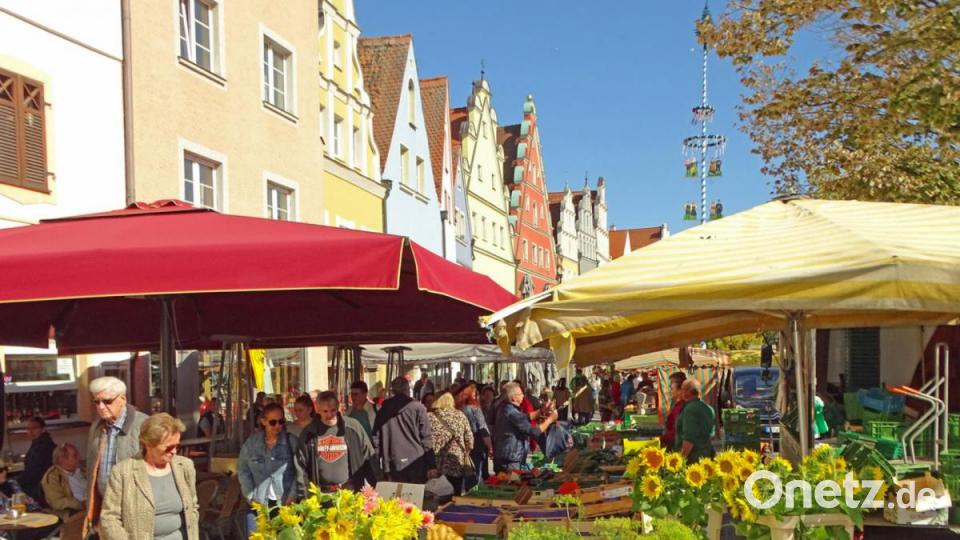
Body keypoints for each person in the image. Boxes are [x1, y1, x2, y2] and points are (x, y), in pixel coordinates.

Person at [100, 413, 199, 540]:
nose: (174, 451)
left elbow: (192, 507)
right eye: (168, 447)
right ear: (148, 444)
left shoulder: (185, 466)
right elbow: (109, 517)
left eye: (176, 446)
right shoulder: (123, 472)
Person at [84, 376, 149, 536]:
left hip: (134, 508)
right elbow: (92, 470)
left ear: (123, 399)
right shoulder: (96, 427)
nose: (101, 407)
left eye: (107, 401)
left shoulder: (144, 425)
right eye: (96, 402)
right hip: (105, 507)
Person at [294, 391, 376, 496]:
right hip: (321, 494)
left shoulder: (353, 427)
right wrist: (305, 495)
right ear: (318, 410)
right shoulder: (309, 433)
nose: (330, 415)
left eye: (333, 410)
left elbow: (369, 457)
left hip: (349, 492)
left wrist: (376, 487)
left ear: (338, 408)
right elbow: (300, 466)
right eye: (325, 411)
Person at [237, 403, 297, 535]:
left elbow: (300, 471)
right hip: (259, 503)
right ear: (263, 421)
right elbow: (243, 471)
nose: (277, 426)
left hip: (285, 502)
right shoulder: (251, 444)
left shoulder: (291, 442)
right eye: (273, 422)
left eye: (281, 421)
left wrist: (293, 495)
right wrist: (250, 496)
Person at [371, 377, 436, 483]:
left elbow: (376, 438)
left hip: (392, 461)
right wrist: (432, 464)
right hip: (416, 461)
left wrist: (378, 462)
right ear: (407, 390)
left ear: (392, 391)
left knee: (396, 498)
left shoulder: (383, 409)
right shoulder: (418, 408)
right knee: (415, 497)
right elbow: (426, 437)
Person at [493, 383, 558, 473]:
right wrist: (550, 419)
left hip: (508, 458)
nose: (523, 395)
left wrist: (542, 410)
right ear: (513, 398)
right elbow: (534, 431)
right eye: (520, 394)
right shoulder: (510, 411)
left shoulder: (506, 408)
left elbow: (524, 417)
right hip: (511, 461)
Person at [427, 393, 474, 496]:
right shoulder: (460, 415)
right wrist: (466, 452)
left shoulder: (430, 416)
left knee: (434, 493)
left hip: (435, 462)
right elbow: (470, 440)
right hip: (455, 462)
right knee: (455, 493)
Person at [455, 383, 494, 490]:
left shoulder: (458, 408)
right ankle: (474, 495)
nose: (478, 396)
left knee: (468, 473)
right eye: (476, 394)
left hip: (463, 444)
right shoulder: (475, 409)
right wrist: (490, 446)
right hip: (477, 444)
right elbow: (482, 428)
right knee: (476, 472)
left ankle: (468, 492)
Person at [42, 443, 87, 520]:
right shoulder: (52, 476)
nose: (79, 458)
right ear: (63, 459)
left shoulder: (82, 470)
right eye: (75, 456)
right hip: (71, 513)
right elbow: (56, 502)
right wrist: (81, 504)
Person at [676, 379, 716, 463]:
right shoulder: (709, 408)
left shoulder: (690, 409)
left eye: (683, 389)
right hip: (707, 454)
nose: (681, 392)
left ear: (689, 392)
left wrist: (680, 461)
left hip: (694, 458)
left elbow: (689, 439)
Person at [20, 416, 55, 503]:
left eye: (34, 428)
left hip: (39, 487)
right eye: (28, 429)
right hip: (42, 484)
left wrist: (13, 481)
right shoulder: (40, 443)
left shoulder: (42, 447)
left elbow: (32, 475)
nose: (31, 431)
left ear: (43, 429)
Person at [660, 372, 688, 448]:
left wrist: (659, 439)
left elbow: (677, 432)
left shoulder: (683, 406)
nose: (670, 390)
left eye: (672, 388)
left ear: (680, 390)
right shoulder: (676, 404)